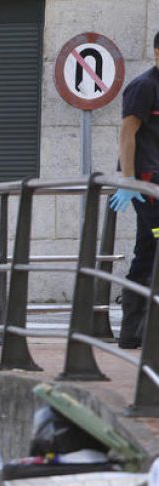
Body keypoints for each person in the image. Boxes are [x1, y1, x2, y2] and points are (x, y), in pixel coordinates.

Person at [109, 30, 159, 349]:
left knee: (147, 251)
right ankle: (138, 327)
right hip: (145, 185)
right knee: (156, 241)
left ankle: (133, 331)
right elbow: (127, 134)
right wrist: (127, 180)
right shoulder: (144, 87)